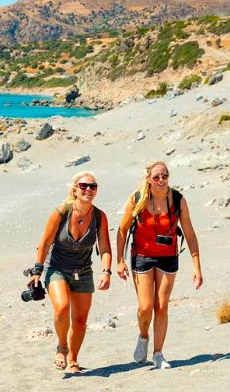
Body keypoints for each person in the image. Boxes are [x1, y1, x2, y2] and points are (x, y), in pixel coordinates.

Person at [115, 160, 203, 369]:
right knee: (145, 308)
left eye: (165, 176)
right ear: (148, 179)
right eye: (156, 177)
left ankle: (158, 354)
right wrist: (120, 261)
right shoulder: (137, 199)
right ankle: (144, 336)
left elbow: (189, 233)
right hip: (142, 257)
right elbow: (122, 230)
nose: (161, 180)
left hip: (168, 257)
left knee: (161, 306)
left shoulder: (178, 200)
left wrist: (197, 266)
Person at [27, 171, 112, 373]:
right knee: (62, 307)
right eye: (83, 186)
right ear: (75, 189)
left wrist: (106, 271)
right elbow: (45, 242)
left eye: (93, 186)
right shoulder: (61, 212)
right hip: (56, 267)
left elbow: (106, 247)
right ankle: (62, 346)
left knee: (81, 320)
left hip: (83, 270)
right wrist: (37, 270)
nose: (88, 190)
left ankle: (73, 359)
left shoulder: (99, 216)